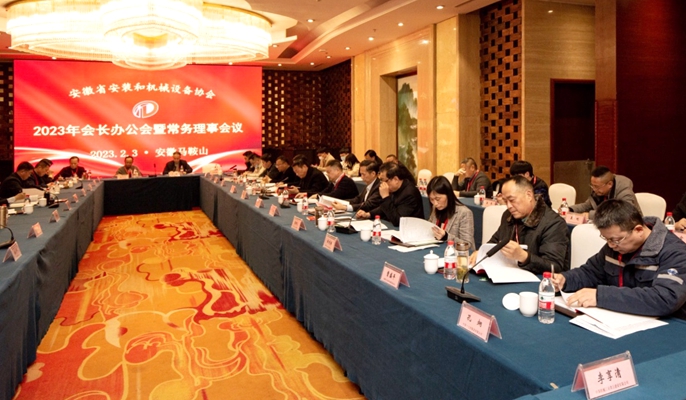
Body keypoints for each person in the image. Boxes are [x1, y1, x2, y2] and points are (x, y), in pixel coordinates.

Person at [552, 199, 686, 319]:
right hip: (620, 318)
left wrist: (601, 296)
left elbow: (665, 298)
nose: (611, 245)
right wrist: (566, 279)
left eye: (615, 240)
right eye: (606, 239)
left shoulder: (675, 252)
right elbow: (591, 272)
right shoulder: (616, 246)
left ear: (638, 230)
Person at [470, 176, 570, 274]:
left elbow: (554, 266)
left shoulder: (554, 223)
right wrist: (481, 252)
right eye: (505, 201)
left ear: (529, 195)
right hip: (511, 273)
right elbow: (496, 241)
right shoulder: (508, 215)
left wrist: (523, 256)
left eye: (512, 200)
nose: (509, 206)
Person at [356, 162, 424, 226]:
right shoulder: (395, 188)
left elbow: (397, 221)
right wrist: (368, 214)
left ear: (396, 179)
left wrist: (385, 197)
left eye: (384, 181)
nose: (382, 184)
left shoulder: (409, 194)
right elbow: (383, 209)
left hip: (411, 230)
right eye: (381, 181)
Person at [569, 166, 639, 220]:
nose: (594, 189)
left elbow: (622, 213)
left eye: (597, 186)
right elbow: (587, 206)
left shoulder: (624, 192)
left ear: (609, 184)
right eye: (592, 185)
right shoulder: (599, 191)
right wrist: (570, 209)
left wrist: (590, 215)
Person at [427, 176, 475, 249]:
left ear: (448, 195)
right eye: (431, 199)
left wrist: (446, 237)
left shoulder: (464, 213)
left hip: (454, 253)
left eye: (438, 199)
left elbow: (468, 245)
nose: (435, 203)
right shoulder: (435, 208)